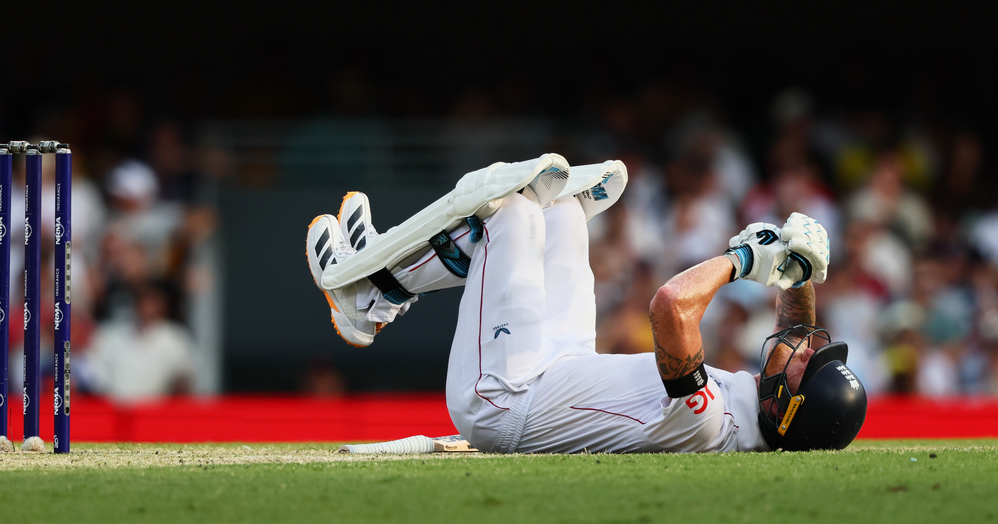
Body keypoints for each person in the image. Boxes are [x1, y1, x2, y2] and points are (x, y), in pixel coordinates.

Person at [307, 155, 866, 453]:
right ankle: (381, 289)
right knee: (562, 211)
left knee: (515, 212)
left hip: (505, 405)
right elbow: (797, 329)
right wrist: (800, 267)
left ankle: (373, 296)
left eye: (803, 366)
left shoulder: (713, 425)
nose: (802, 347)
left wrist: (744, 259)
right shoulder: (765, 405)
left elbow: (670, 305)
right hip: (562, 363)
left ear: (784, 409)